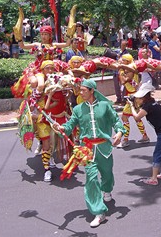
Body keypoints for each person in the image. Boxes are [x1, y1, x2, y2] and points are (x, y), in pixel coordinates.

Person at [52, 79, 125, 227]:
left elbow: (116, 121)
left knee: (107, 175)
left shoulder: (105, 106)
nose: (81, 92)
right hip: (87, 150)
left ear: (92, 90)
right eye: (80, 90)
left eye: (84, 90)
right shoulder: (78, 109)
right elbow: (69, 126)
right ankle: (99, 212)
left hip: (104, 148)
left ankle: (107, 190)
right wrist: (60, 128)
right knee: (91, 179)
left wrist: (119, 132)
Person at [128, 82, 161, 185]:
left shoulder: (147, 107)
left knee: (157, 154)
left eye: (138, 98)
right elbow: (141, 110)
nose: (137, 100)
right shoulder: (152, 102)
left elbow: (137, 117)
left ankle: (154, 179)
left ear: (143, 98)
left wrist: (131, 106)